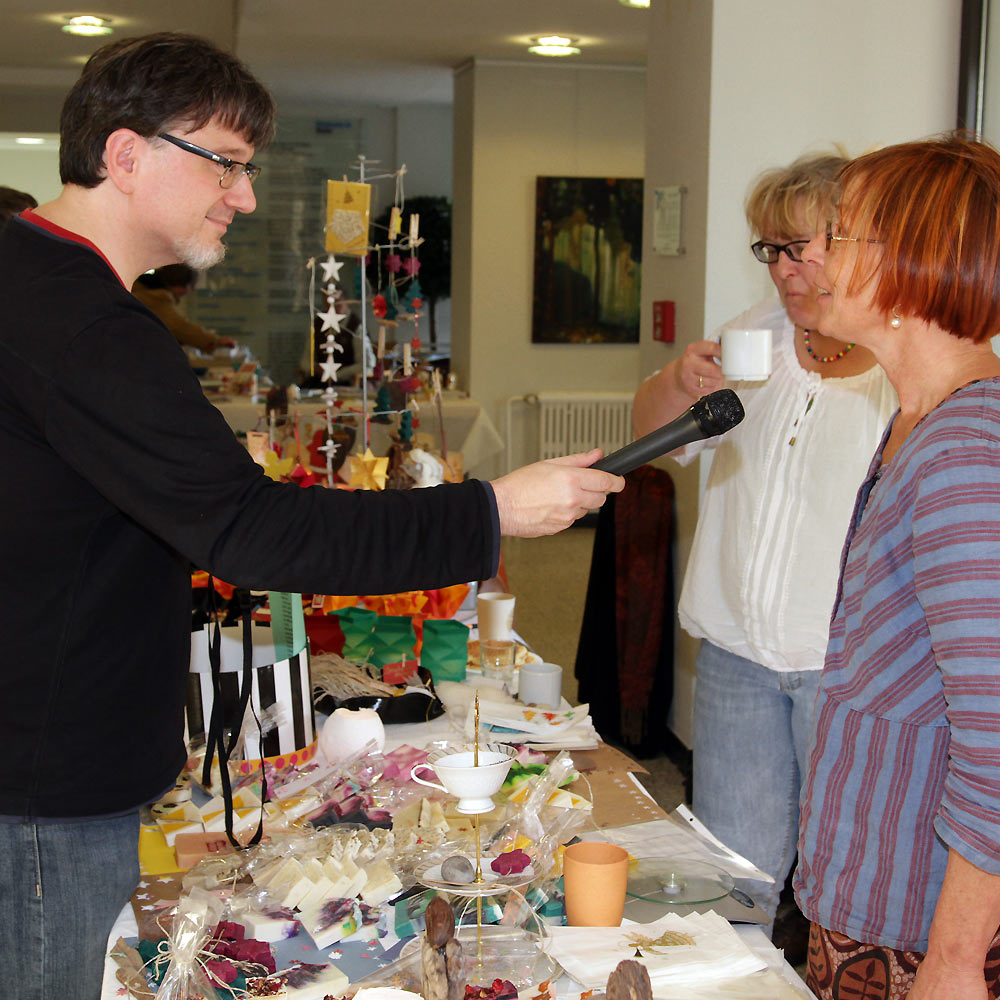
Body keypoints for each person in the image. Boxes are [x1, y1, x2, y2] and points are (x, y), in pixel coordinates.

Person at [0, 32, 623, 1000]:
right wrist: (490, 509)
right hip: (44, 774)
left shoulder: (31, 276)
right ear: (125, 155)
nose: (243, 196)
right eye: (226, 164)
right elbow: (252, 530)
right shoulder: (84, 325)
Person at [632, 153, 897, 925]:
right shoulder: (754, 337)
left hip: (846, 671)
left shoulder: (903, 361)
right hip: (736, 656)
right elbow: (651, 440)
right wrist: (677, 383)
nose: (781, 269)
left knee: (849, 883)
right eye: (769, 250)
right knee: (730, 883)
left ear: (858, 244)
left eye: (798, 248)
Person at [795, 134, 1000, 999]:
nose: (816, 256)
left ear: (912, 265)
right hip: (877, 895)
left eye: (840, 234)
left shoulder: (965, 453)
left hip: (922, 930)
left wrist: (953, 961)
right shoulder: (919, 420)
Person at [132, 262, 237, 352]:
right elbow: (179, 327)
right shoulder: (158, 297)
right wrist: (216, 341)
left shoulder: (141, 286)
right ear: (181, 285)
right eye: (191, 286)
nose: (190, 292)